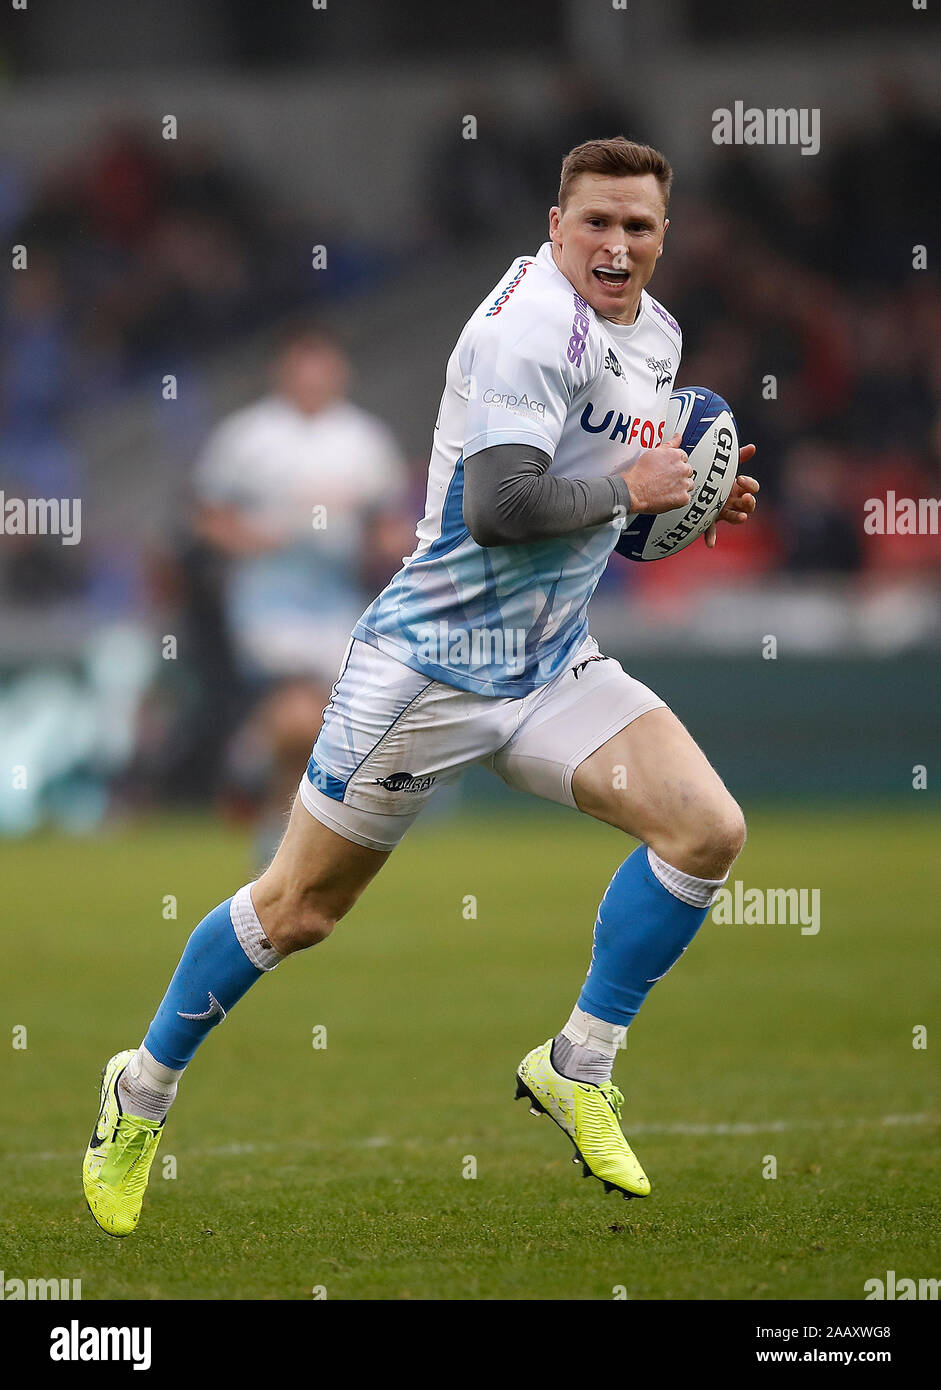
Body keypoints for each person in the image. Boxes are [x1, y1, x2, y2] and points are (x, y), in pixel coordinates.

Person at [83, 137, 759, 1235]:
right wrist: (629, 483)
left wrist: (674, 499)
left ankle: (576, 1064)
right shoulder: (525, 328)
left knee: (705, 830)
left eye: (637, 226)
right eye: (594, 222)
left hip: (551, 662)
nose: (615, 244)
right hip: (428, 668)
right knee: (297, 909)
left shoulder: (658, 338)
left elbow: (607, 499)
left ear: (662, 236)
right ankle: (142, 1088)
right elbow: (501, 505)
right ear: (554, 227)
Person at [189, 320, 410, 852]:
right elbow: (206, 517)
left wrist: (383, 544)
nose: (314, 374)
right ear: (283, 369)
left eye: (323, 363)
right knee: (299, 709)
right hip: (269, 594)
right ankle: (260, 774)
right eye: (302, 363)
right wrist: (258, 538)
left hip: (337, 596)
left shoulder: (364, 439)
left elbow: (391, 527)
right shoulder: (248, 436)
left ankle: (268, 808)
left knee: (317, 722)